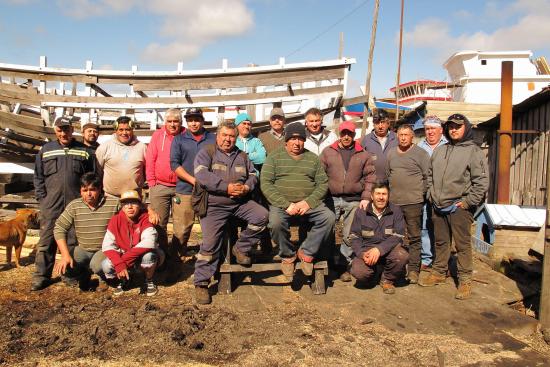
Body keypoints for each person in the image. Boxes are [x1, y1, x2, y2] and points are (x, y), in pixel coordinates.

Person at [193, 122, 268, 305]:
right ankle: (201, 283)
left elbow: (254, 175)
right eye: (224, 135)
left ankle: (241, 248)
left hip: (239, 203)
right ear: (217, 136)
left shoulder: (242, 156)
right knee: (210, 245)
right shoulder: (207, 152)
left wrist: (245, 187)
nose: (228, 139)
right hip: (214, 206)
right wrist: (225, 188)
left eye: (231, 136)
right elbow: (201, 175)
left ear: (236, 138)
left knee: (262, 216)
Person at [419, 113, 489, 300]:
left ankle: (465, 281)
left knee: (462, 245)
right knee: (441, 242)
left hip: (459, 207)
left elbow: (481, 182)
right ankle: (439, 272)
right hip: (438, 205)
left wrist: (467, 203)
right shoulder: (441, 150)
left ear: (465, 127)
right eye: (450, 126)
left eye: (457, 126)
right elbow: (430, 175)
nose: (453, 129)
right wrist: (430, 195)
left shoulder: (473, 151)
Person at [32, 116, 98, 291]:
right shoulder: (46, 150)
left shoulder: (84, 151)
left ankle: (70, 275)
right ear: (56, 131)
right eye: (60, 130)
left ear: (72, 130)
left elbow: (92, 178)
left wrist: (87, 200)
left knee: (72, 241)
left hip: (75, 203)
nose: (64, 133)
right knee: (47, 240)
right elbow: (38, 177)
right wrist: (42, 198)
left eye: (67, 129)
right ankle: (41, 276)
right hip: (51, 204)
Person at [261, 122, 334, 280]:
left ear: (304, 140)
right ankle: (287, 256)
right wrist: (286, 204)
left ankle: (307, 252)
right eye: (293, 139)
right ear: (286, 140)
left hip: (308, 205)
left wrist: (308, 202)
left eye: (300, 138)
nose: (296, 142)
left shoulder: (313, 159)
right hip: (282, 205)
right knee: (275, 223)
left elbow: (323, 183)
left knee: (328, 218)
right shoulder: (274, 157)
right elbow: (265, 183)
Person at [320, 121, 376, 282]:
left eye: (349, 134)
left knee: (350, 235)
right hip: (331, 198)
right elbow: (319, 175)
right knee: (327, 233)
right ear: (339, 133)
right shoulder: (327, 152)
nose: (346, 136)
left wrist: (366, 197)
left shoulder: (363, 154)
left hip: (354, 199)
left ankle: (344, 265)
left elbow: (370, 177)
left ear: (354, 135)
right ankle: (328, 264)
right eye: (343, 133)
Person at [53, 172, 119, 290]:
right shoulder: (74, 206)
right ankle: (84, 274)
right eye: (85, 190)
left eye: (92, 189)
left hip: (105, 249)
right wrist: (65, 255)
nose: (88, 194)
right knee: (66, 266)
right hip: (83, 248)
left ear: (100, 189)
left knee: (97, 266)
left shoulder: (113, 203)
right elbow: (59, 228)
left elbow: (134, 208)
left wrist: (149, 210)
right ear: (80, 191)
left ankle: (104, 278)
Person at [386, 125, 430, 284]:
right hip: (394, 203)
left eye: (406, 135)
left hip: (413, 202)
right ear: (397, 136)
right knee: (393, 236)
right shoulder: (391, 153)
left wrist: (420, 194)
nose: (403, 138)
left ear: (412, 137)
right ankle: (395, 267)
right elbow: (388, 174)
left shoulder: (421, 154)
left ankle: (413, 270)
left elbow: (428, 176)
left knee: (414, 237)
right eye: (400, 135)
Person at [169, 107, 216, 257]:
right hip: (185, 190)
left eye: (197, 120)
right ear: (186, 122)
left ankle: (209, 260)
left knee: (209, 229)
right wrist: (193, 180)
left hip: (208, 192)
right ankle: (176, 262)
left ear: (202, 121)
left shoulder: (213, 139)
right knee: (181, 231)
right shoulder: (179, 139)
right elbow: (174, 164)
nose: (194, 123)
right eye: (190, 120)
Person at [101, 190, 164, 297]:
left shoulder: (145, 218)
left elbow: (149, 242)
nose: (130, 206)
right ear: (122, 206)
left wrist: (123, 262)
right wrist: (119, 263)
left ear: (140, 205)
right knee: (106, 265)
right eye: (126, 203)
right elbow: (107, 245)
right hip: (124, 254)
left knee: (149, 256)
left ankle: (148, 280)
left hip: (142, 255)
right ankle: (124, 279)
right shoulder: (115, 220)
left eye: (134, 203)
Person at [349, 182, 408, 294]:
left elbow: (399, 235)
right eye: (378, 194)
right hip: (367, 250)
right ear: (371, 196)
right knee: (359, 272)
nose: (381, 197)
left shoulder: (396, 211)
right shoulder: (361, 212)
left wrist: (379, 249)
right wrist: (362, 254)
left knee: (402, 256)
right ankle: (374, 275)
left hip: (389, 250)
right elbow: (354, 236)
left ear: (388, 196)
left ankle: (387, 279)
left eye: (384, 194)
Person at [146, 108, 186, 257]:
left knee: (181, 223)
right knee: (159, 223)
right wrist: (152, 182)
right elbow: (150, 159)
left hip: (181, 186)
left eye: (176, 121)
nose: (172, 124)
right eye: (169, 121)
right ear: (165, 122)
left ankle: (177, 253)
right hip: (160, 185)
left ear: (180, 122)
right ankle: (161, 253)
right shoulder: (157, 135)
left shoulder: (186, 135)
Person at [417, 116, 448, 270]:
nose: (430, 132)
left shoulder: (448, 145)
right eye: (428, 129)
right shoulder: (419, 146)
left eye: (433, 129)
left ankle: (443, 259)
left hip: (444, 193)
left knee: (443, 228)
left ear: (440, 130)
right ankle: (427, 258)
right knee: (425, 225)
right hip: (424, 193)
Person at [95, 116, 148, 198]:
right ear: (115, 130)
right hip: (110, 196)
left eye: (127, 129)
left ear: (132, 130)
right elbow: (98, 171)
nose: (124, 133)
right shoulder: (105, 147)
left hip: (134, 197)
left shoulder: (142, 147)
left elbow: (147, 170)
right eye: (121, 130)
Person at [360, 109, 398, 182]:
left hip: (393, 183)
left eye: (383, 122)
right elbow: (360, 164)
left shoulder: (397, 139)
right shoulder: (366, 140)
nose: (380, 126)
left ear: (388, 123)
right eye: (377, 123)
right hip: (372, 184)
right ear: (373, 124)